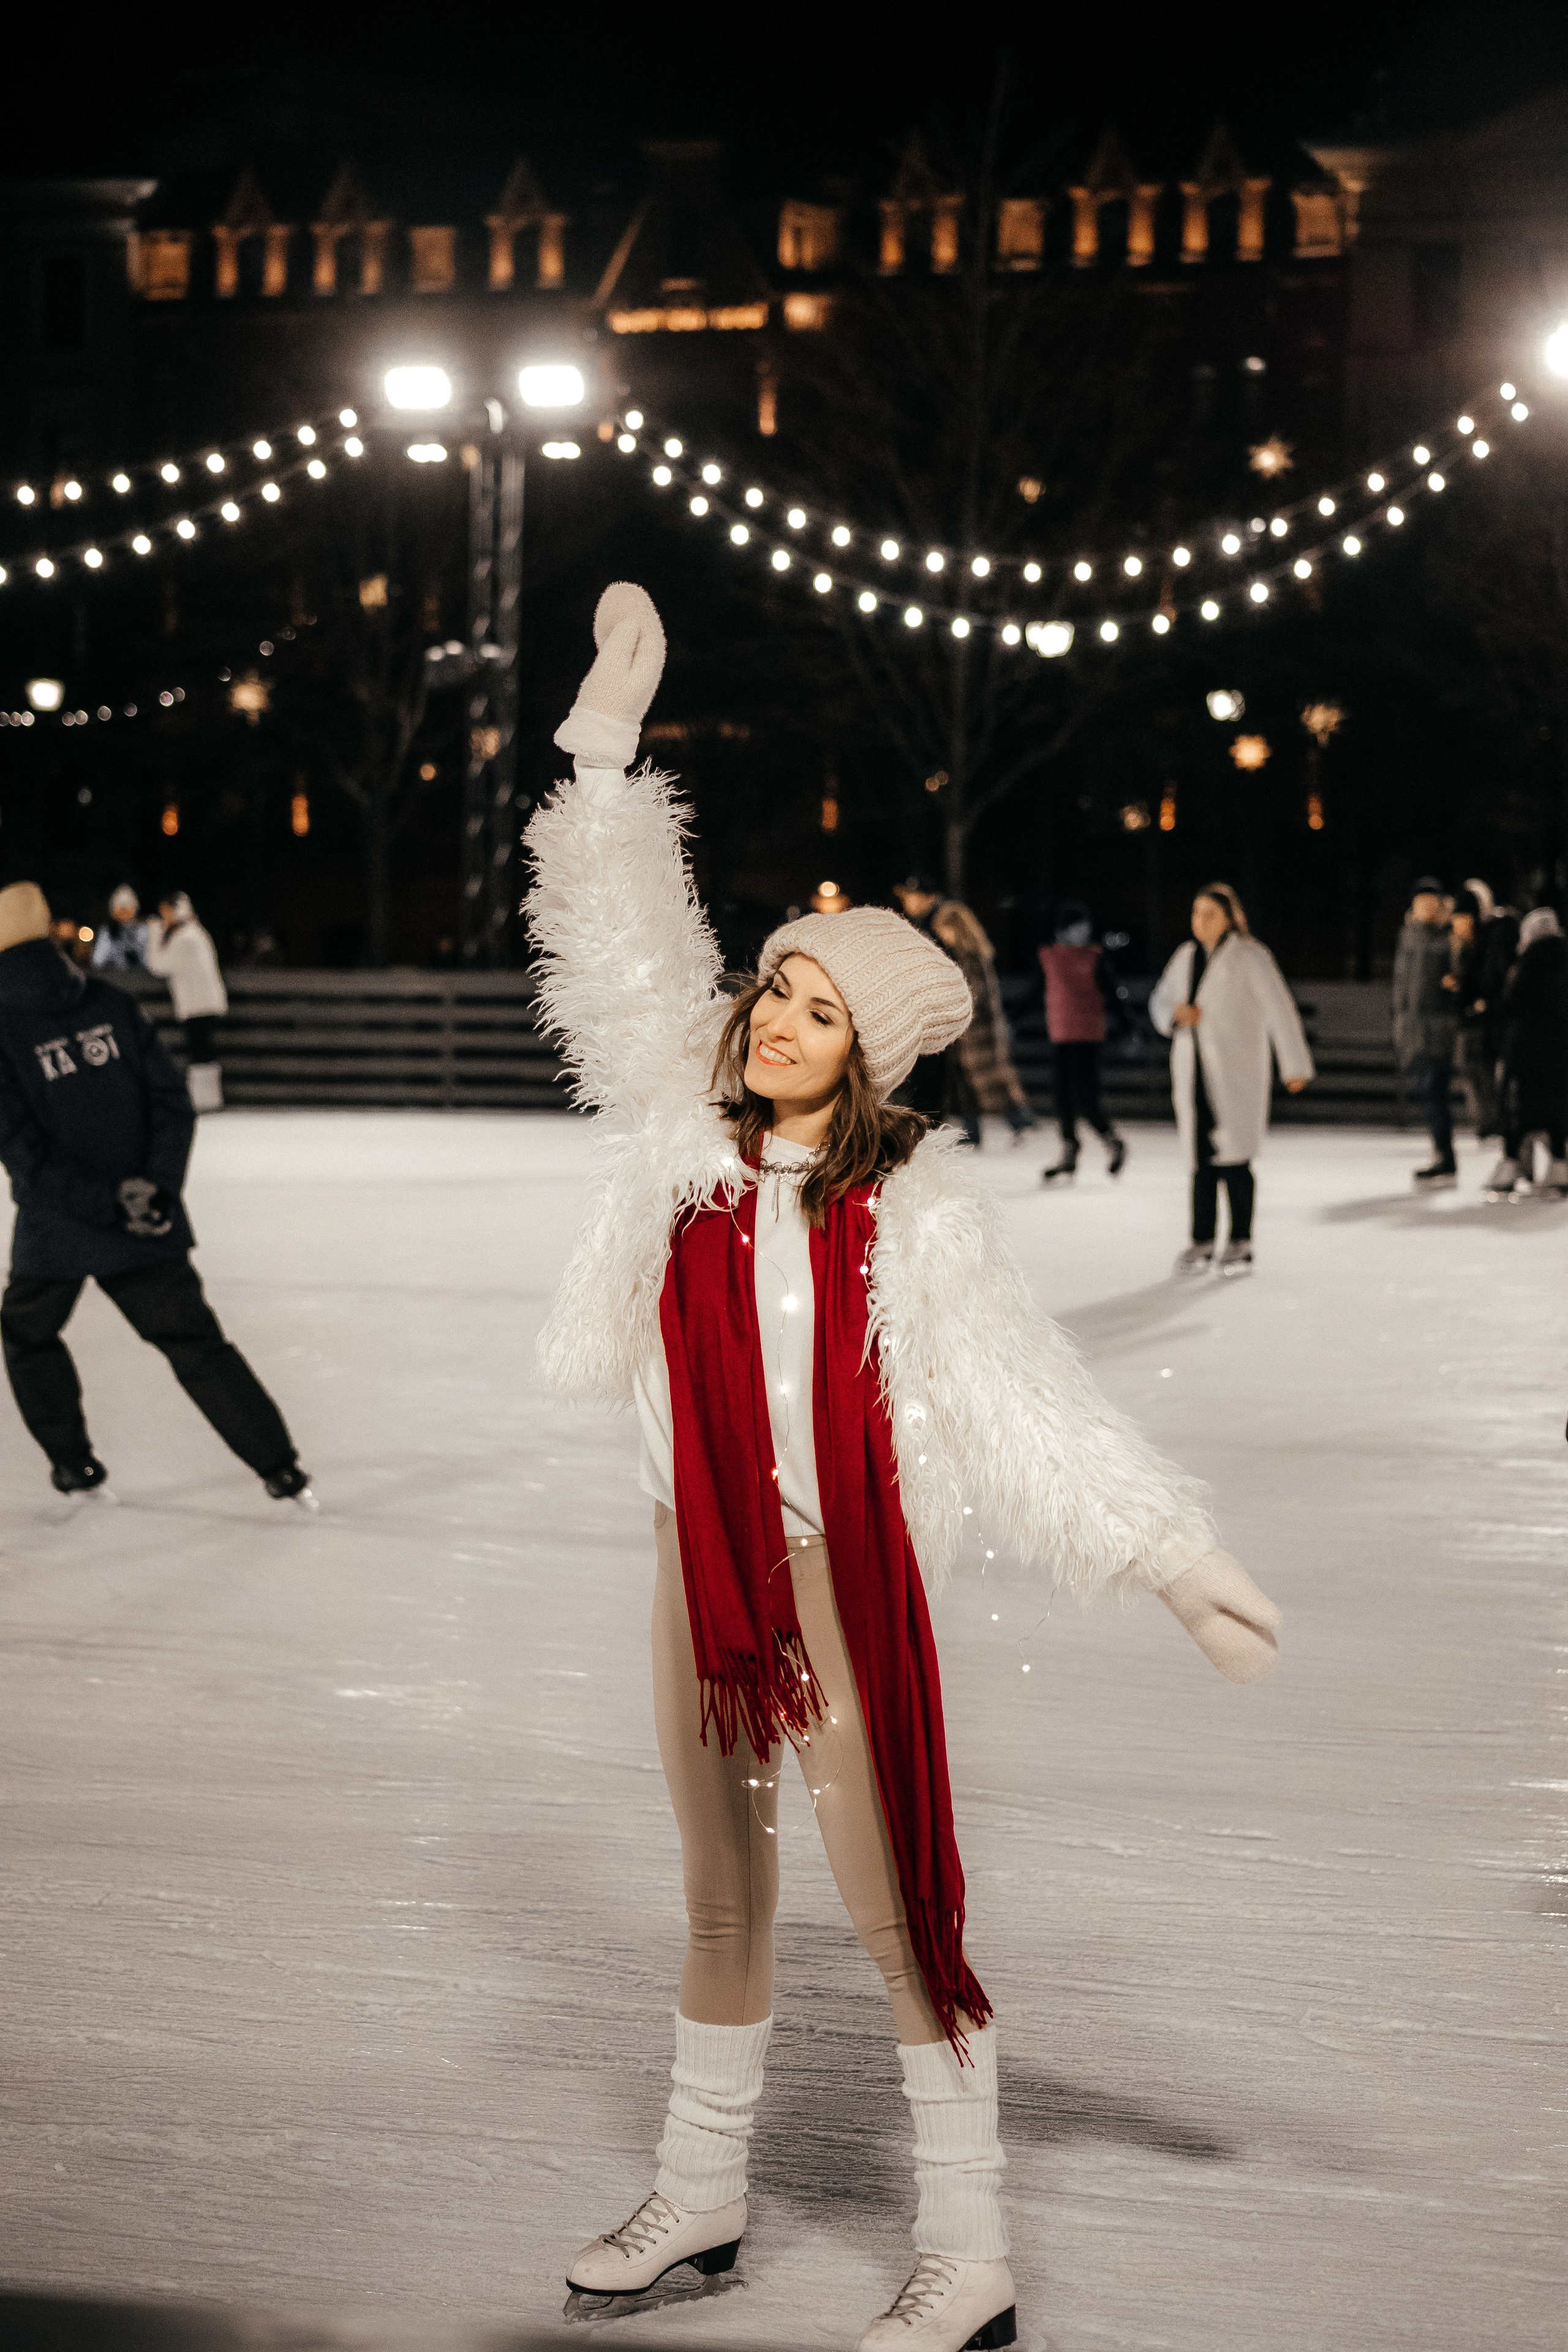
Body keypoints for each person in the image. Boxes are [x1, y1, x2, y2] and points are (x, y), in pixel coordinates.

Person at [526, 586, 1284, 2352]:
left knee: (895, 1908)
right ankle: (703, 2198)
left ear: (870, 1050)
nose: (775, 1018)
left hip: (829, 1572)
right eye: (772, 987)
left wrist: (1172, 1560)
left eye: (815, 1007)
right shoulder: (680, 1136)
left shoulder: (908, 1216)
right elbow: (624, 941)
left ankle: (972, 2249)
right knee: (719, 1894)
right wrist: (602, 758)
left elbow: (1025, 1398)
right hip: (697, 1570)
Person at [0, 882, 314, 1507]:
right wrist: (156, 1191)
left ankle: (75, 1468)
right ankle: (281, 1470)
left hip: (61, 1225)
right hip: (146, 1219)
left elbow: (25, 1153)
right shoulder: (111, 1004)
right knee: (196, 1345)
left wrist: (109, 1202)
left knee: (28, 1334)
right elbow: (174, 1103)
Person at [1150, 883, 1313, 1278]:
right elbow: (1161, 999)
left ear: (1229, 917)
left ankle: (1241, 1239)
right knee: (1200, 1159)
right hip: (1194, 1072)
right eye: (1196, 914)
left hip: (1236, 1070)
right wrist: (1174, 1015)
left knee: (1235, 1158)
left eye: (1209, 914)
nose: (1200, 922)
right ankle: (1201, 1240)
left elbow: (1280, 1011)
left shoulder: (1251, 958)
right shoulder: (1186, 957)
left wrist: (1294, 1065)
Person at [929, 899, 1033, 1146]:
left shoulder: (969, 956)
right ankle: (975, 1131)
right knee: (970, 1083)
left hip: (978, 1029)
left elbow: (976, 992)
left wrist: (954, 1007)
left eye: (945, 929)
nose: (942, 935)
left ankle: (1018, 1120)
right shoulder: (974, 953)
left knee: (988, 1081)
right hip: (978, 1028)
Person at [1037, 899, 1126, 1183]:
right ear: (1064, 930)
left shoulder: (1095, 957)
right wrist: (1012, 1018)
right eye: (1077, 928)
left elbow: (1113, 993)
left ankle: (1112, 1141)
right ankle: (1069, 1151)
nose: (1083, 933)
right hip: (1060, 1035)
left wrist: (1127, 1026)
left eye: (1085, 928)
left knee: (1085, 1096)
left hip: (1087, 1036)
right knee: (1061, 1096)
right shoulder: (1049, 956)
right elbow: (1034, 989)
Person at [1486, 907, 1568, 1198]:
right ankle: (1559, 1167)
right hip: (1560, 1052)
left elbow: (1513, 1005)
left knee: (1518, 1110)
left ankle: (1511, 1167)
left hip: (1527, 1050)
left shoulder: (1529, 962)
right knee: (1557, 1111)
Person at [1392, 878, 1459, 1188]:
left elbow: (1455, 976)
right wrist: (1401, 1025)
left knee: (1435, 1092)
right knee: (1429, 1094)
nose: (1427, 908)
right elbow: (1401, 986)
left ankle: (1445, 1157)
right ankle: (1441, 1154)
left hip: (1440, 1031)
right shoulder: (1408, 936)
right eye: (1421, 902)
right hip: (1415, 1030)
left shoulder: (1448, 936)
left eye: (1432, 902)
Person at [145, 891, 228, 1112]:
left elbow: (158, 966)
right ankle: (207, 1098)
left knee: (201, 1051)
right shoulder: (194, 933)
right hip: (203, 1002)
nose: (163, 917)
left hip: (198, 1004)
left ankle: (205, 1099)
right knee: (203, 1050)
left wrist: (154, 933)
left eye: (165, 912)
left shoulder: (185, 937)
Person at [91, 886, 150, 974]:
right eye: (120, 909)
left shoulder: (144, 930)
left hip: (142, 980)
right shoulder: (107, 931)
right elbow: (97, 961)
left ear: (135, 910)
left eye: (128, 909)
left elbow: (150, 962)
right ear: (113, 913)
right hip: (116, 980)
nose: (124, 913)